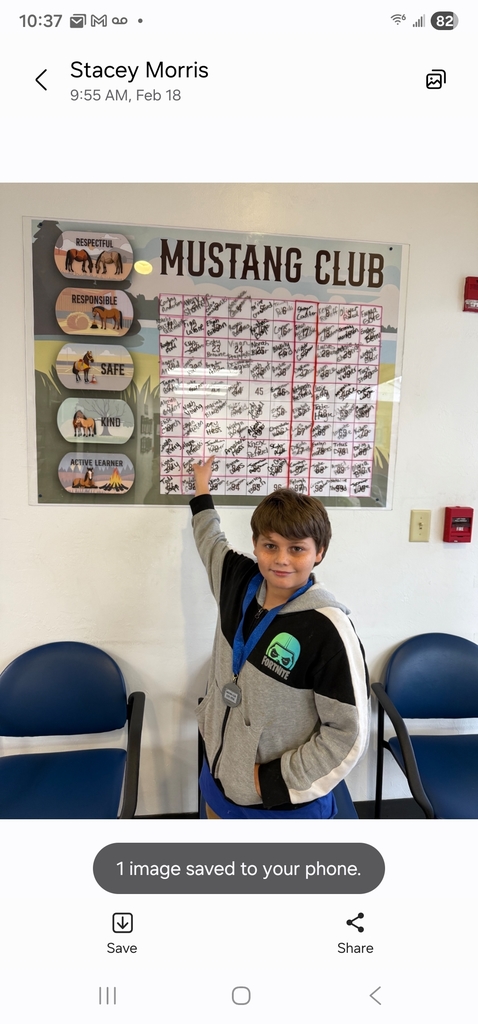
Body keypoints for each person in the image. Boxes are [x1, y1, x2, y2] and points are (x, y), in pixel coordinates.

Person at [191, 456, 370, 819]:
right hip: (219, 775)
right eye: (270, 546)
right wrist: (201, 488)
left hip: (281, 801)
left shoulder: (329, 629)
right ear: (255, 545)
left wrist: (271, 780)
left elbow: (348, 735)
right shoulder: (235, 581)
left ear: (319, 552)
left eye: (297, 548)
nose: (281, 560)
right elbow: (209, 538)